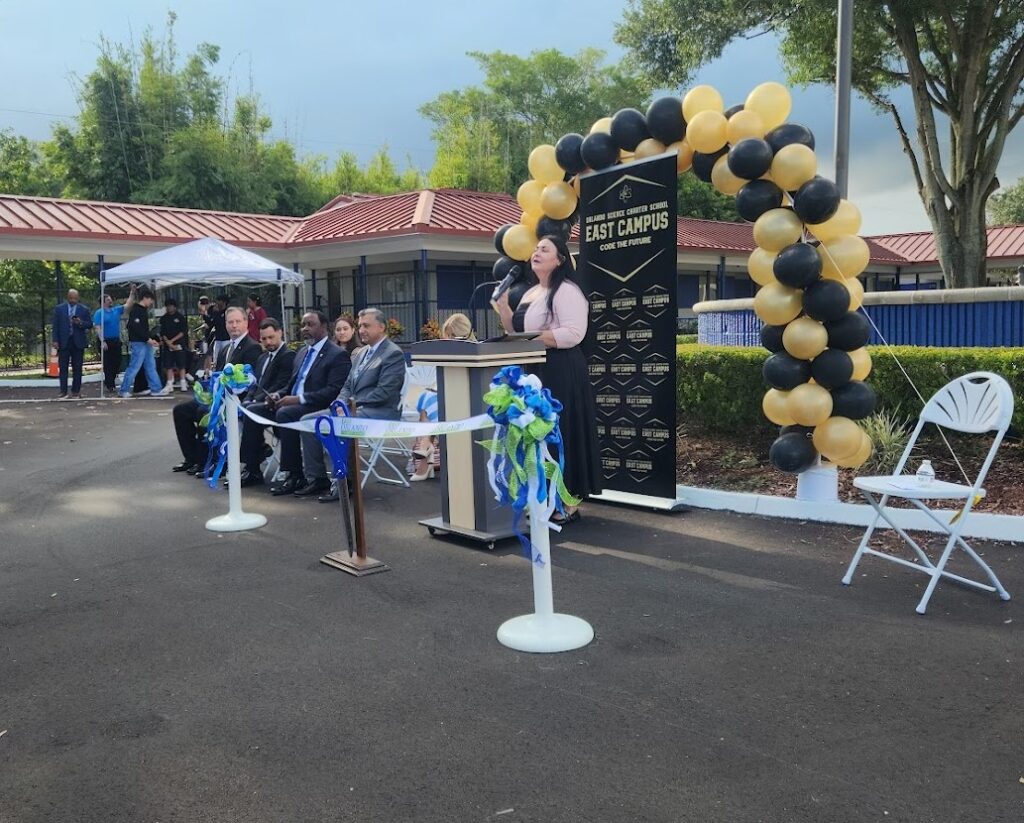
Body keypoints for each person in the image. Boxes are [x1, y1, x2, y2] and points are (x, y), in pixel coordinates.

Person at [495, 235, 602, 523]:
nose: (536, 252)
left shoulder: (567, 291)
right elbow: (515, 330)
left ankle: (567, 503)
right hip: (534, 370)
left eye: (545, 249)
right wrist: (505, 308)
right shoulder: (530, 293)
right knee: (535, 435)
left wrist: (532, 338)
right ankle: (541, 499)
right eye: (535, 248)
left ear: (560, 260)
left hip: (560, 368)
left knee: (560, 433)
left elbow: (573, 334)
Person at [238, 311, 349, 494]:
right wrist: (277, 395)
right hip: (293, 403)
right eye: (303, 325)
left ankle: (294, 474)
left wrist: (299, 399)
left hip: (315, 405)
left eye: (310, 325)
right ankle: (252, 468)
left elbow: (333, 391)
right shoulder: (303, 352)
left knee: (285, 413)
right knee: (253, 409)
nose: (305, 329)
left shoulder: (336, 355)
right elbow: (291, 385)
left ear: (324, 327)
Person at [301, 308, 405, 502]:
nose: (361, 330)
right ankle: (316, 478)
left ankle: (343, 483)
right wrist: (340, 403)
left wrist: (350, 405)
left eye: (367, 325)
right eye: (360, 326)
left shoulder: (393, 354)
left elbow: (385, 392)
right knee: (308, 421)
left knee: (341, 424)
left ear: (381, 327)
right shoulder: (361, 353)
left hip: (379, 412)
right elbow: (347, 385)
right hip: (353, 409)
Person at [172, 306, 262, 475]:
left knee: (203, 412)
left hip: (237, 400)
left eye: (237, 321)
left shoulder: (252, 347)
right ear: (225, 325)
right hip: (218, 397)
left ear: (246, 323)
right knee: (181, 411)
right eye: (230, 322)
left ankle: (210, 461)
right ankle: (192, 458)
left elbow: (250, 382)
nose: (234, 326)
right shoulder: (226, 349)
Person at [408, 313, 475, 481]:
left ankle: (425, 455)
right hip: (449, 394)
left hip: (468, 398)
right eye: (447, 335)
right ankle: (426, 446)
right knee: (427, 397)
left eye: (452, 335)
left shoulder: (475, 352)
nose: (449, 339)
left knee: (433, 401)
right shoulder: (447, 353)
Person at [118, 286, 170, 398]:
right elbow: (135, 327)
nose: (151, 303)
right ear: (145, 298)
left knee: (150, 365)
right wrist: (148, 339)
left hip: (145, 342)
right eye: (150, 300)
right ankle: (123, 390)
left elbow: (142, 329)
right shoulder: (136, 310)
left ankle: (156, 389)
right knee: (134, 367)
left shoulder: (142, 311)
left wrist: (150, 339)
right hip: (138, 343)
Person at [51, 288, 94, 399]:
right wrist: (55, 340)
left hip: (78, 342)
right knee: (63, 368)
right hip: (64, 342)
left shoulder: (84, 309)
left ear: (78, 298)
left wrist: (80, 323)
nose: (73, 300)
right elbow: (55, 326)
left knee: (78, 368)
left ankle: (76, 391)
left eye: (75, 298)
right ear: (67, 297)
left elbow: (89, 324)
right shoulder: (59, 309)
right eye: (71, 298)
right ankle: (63, 392)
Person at [93, 291, 133, 393]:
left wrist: (132, 292)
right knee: (107, 363)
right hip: (105, 341)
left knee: (117, 361)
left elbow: (128, 305)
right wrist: (103, 341)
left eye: (110, 299)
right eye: (108, 300)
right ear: (103, 302)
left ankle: (113, 378)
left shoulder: (116, 310)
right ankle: (110, 384)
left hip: (115, 340)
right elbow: (98, 327)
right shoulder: (99, 313)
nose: (110, 301)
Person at [159, 298, 189, 392]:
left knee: (181, 364)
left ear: (175, 307)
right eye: (167, 306)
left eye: (170, 306)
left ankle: (183, 382)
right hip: (167, 345)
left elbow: (183, 331)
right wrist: (168, 342)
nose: (169, 308)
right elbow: (162, 333)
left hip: (179, 344)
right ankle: (169, 383)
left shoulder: (180, 317)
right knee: (168, 365)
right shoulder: (163, 318)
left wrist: (172, 341)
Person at [203, 294, 230, 366]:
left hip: (226, 339)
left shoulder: (227, 312)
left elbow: (221, 322)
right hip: (218, 339)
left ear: (224, 302)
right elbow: (211, 322)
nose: (217, 303)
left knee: (226, 357)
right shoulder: (215, 312)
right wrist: (205, 313)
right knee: (215, 358)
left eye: (219, 301)